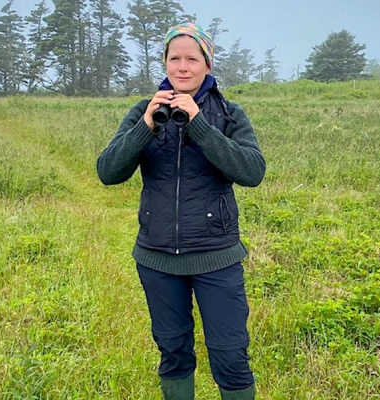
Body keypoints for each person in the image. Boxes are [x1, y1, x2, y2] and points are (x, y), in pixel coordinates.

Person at [96, 22, 265, 400]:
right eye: (175, 58)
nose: (183, 67)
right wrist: (144, 126)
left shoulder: (228, 113)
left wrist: (200, 125)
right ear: (165, 63)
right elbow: (108, 172)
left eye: (192, 58)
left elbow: (252, 172)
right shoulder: (144, 111)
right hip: (157, 259)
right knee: (173, 353)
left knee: (230, 355)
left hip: (216, 258)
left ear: (207, 64)